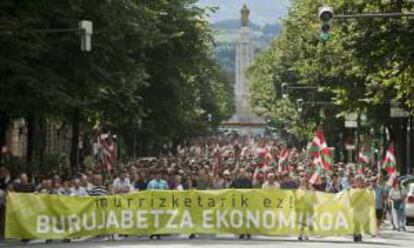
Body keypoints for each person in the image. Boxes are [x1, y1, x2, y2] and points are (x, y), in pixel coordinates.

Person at [231, 168, 252, 239]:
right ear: (239, 173)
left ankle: (248, 232)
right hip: (238, 201)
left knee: (247, 217)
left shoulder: (248, 181)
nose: (242, 174)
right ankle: (241, 233)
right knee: (240, 218)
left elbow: (251, 190)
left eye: (243, 172)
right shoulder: (235, 181)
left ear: (245, 173)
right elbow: (231, 188)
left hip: (247, 202)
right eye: (241, 172)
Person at [147, 170, 168, 239]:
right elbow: (147, 191)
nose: (158, 176)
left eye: (159, 175)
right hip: (153, 202)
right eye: (157, 175)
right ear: (155, 176)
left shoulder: (164, 182)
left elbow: (167, 191)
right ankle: (152, 232)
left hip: (161, 203)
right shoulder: (151, 182)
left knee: (160, 217)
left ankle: (159, 232)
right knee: (153, 218)